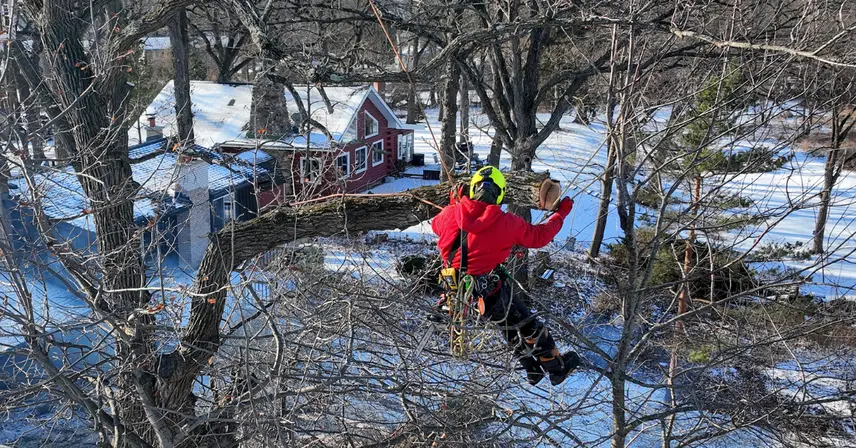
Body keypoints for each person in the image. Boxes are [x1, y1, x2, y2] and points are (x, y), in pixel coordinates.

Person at [431, 166, 580, 386]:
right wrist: (561, 214)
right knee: (527, 325)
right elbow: (540, 237)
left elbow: (437, 226)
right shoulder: (507, 222)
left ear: (472, 190)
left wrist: (456, 205)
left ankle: (532, 370)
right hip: (486, 289)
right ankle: (556, 369)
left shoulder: (449, 215)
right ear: (500, 194)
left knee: (508, 325)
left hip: (458, 293)